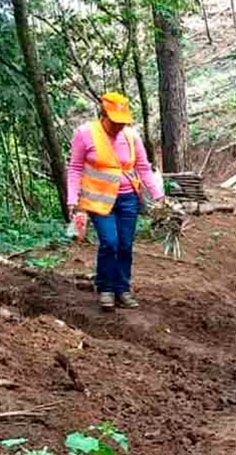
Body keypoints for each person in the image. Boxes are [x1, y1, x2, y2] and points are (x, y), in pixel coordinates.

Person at [67, 92, 165, 311]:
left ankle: (123, 288)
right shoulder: (85, 133)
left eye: (123, 122)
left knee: (125, 245)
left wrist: (159, 196)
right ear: (104, 115)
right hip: (99, 200)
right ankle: (106, 288)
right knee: (110, 242)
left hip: (128, 198)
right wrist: (72, 199)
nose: (119, 126)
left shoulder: (131, 136)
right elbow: (74, 168)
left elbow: (143, 168)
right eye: (115, 121)